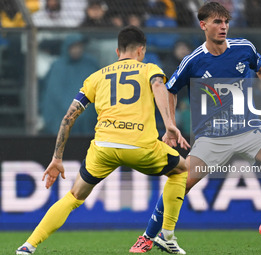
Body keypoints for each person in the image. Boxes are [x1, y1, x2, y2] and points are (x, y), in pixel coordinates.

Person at [130, 2, 261, 252]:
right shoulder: (192, 61)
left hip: (247, 128)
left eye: (226, 22)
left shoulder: (244, 48)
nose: (223, 27)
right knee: (180, 182)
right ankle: (149, 236)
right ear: (203, 25)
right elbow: (170, 90)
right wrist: (171, 125)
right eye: (217, 22)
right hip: (212, 137)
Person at [15, 26, 189, 255]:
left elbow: (68, 117)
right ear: (141, 50)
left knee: (74, 196)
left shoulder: (96, 76)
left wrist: (57, 158)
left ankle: (29, 245)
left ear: (117, 51)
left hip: (104, 148)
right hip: (141, 145)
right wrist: (169, 123)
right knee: (182, 170)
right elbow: (158, 85)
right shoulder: (149, 69)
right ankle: (166, 236)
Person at [40, 34, 99, 135]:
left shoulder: (91, 64)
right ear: (67, 47)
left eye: (79, 46)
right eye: (73, 46)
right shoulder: (57, 66)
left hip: (86, 122)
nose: (77, 50)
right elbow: (51, 95)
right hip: (60, 119)